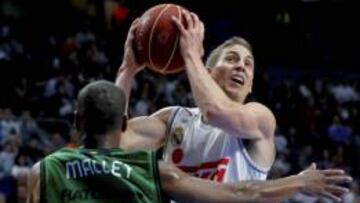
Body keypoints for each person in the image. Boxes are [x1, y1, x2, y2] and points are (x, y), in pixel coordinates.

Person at [26, 80, 352, 203]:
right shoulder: (154, 170)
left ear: (75, 121)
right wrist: (299, 181)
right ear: (125, 122)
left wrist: (128, 67)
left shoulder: (44, 170)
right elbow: (242, 191)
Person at [118, 10, 274, 183]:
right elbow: (114, 142)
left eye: (248, 64)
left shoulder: (262, 117)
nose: (241, 66)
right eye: (231, 59)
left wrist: (191, 55)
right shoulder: (174, 119)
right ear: (208, 73)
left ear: (251, 84)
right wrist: (127, 70)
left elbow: (216, 112)